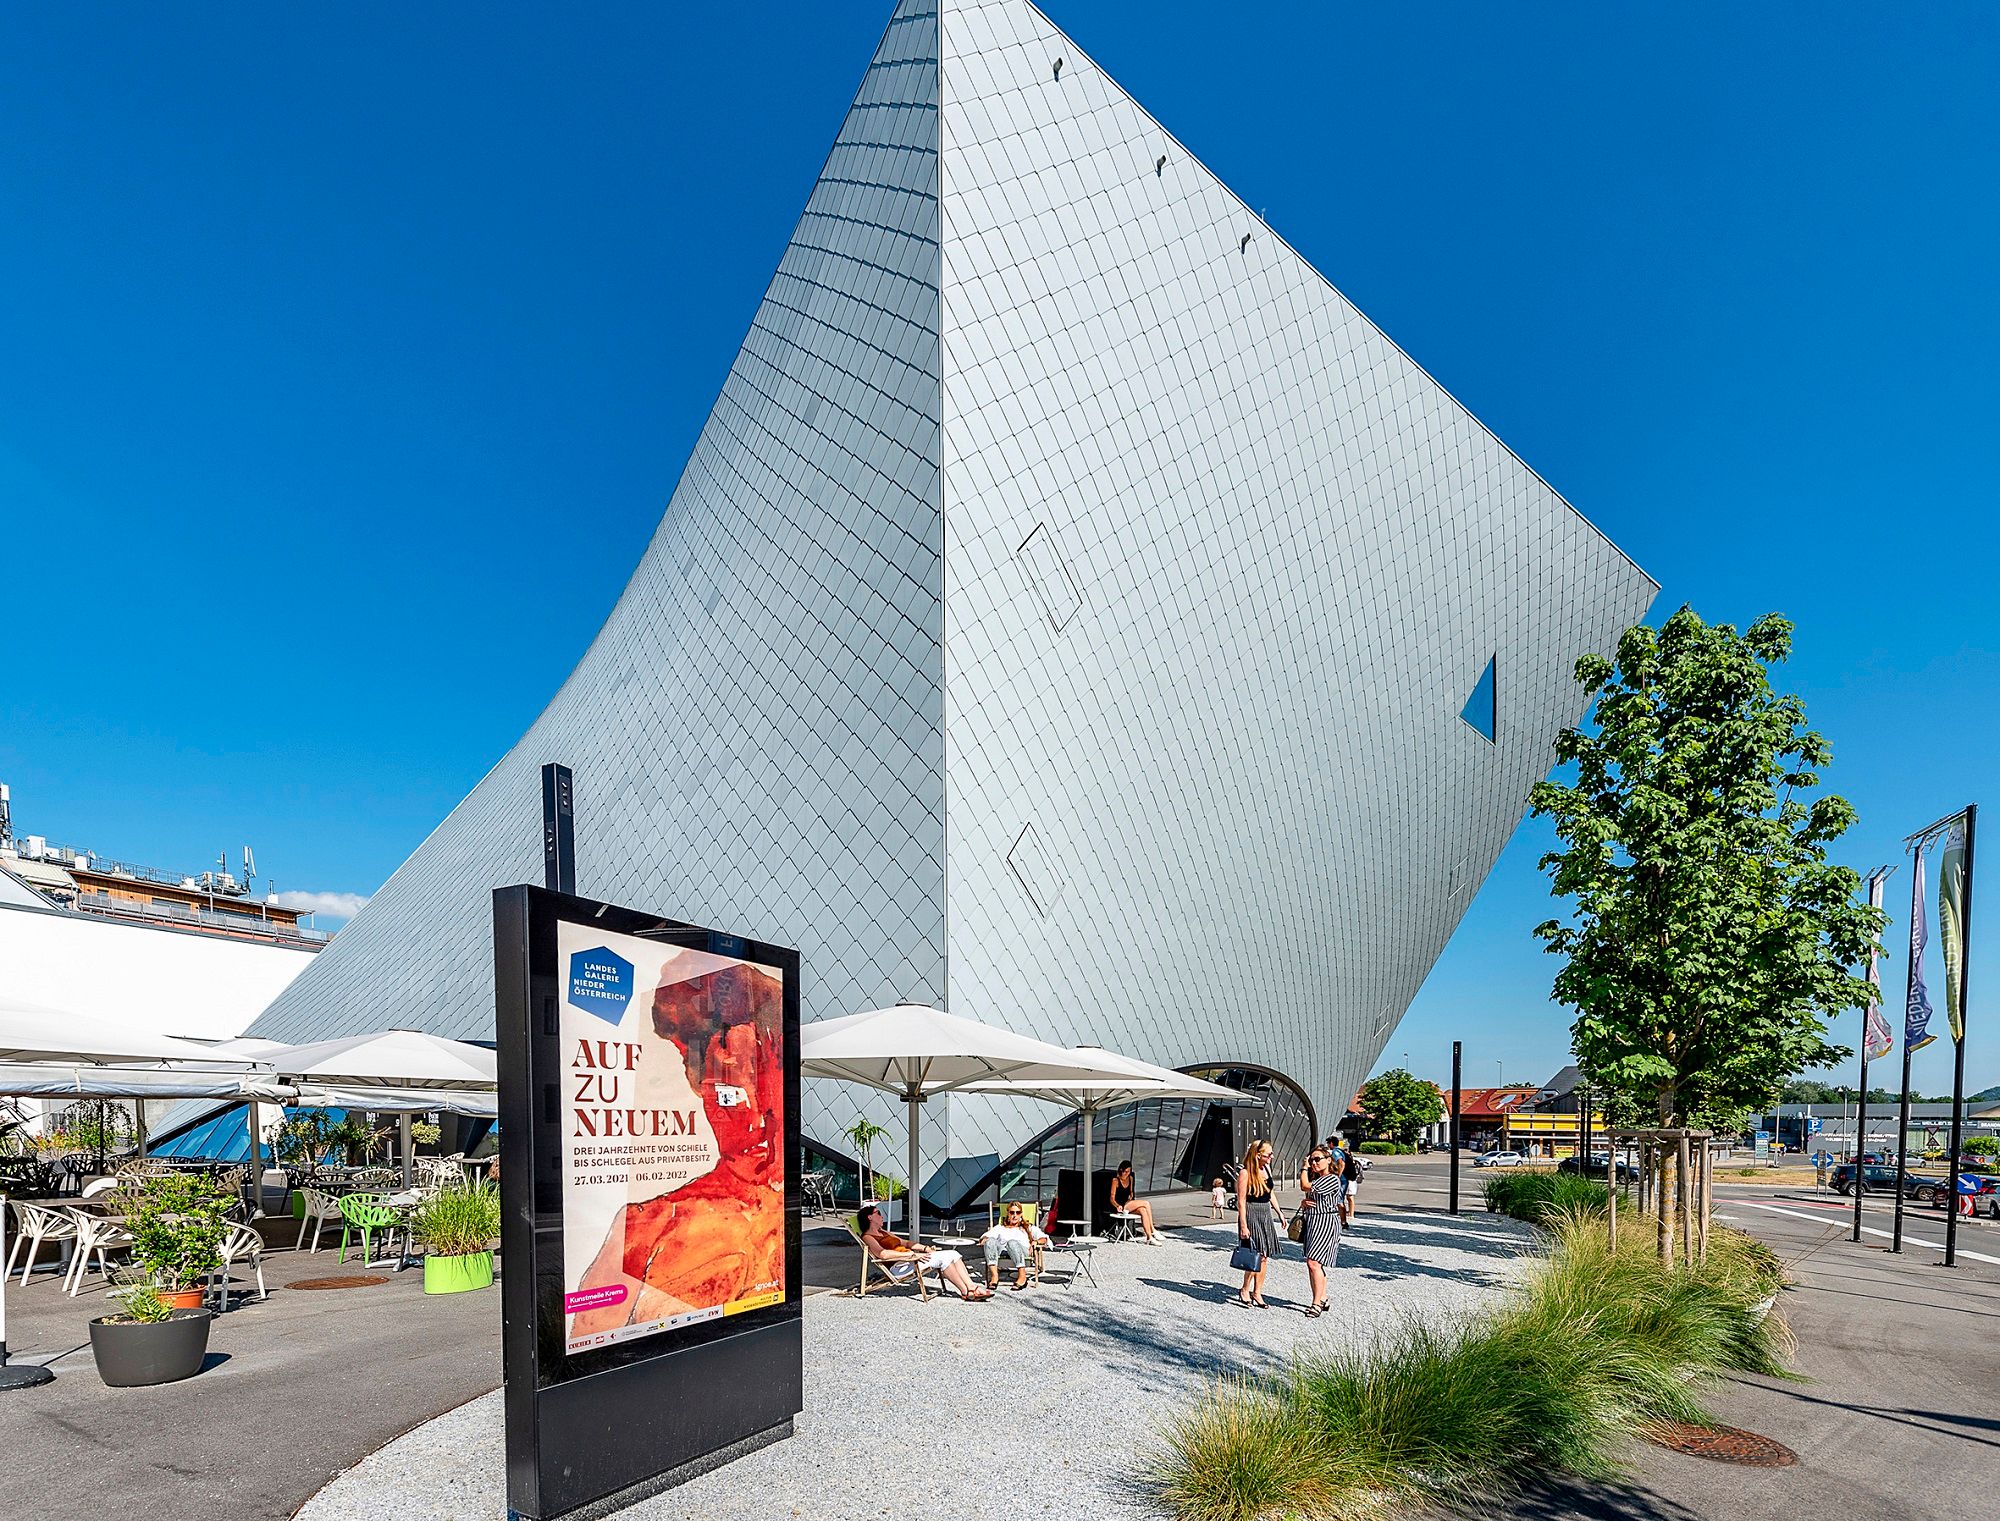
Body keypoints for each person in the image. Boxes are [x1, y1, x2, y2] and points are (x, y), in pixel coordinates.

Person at [857, 1204, 991, 1300]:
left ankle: (971, 1287)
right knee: (943, 1259)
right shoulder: (868, 1237)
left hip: (911, 1260)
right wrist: (911, 1255)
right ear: (870, 1217)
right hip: (900, 1266)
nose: (881, 1216)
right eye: (878, 1213)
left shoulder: (884, 1232)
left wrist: (925, 1248)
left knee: (954, 1254)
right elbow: (883, 1254)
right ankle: (965, 1291)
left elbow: (907, 1243)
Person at [1295, 1146, 1351, 1317]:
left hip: (1326, 1221)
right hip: (1314, 1221)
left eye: (1317, 1159)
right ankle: (1322, 1297)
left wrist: (1303, 1167)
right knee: (1313, 1263)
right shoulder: (1319, 1179)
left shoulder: (1331, 1179)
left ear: (1328, 1160)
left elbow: (1305, 1186)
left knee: (1313, 1263)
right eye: (1311, 1160)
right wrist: (1304, 1204)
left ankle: (1316, 1303)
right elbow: (1309, 1195)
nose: (1313, 1163)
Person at [1234, 1139, 1281, 1308]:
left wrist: (1279, 1213)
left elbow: (1270, 1193)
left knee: (1265, 1256)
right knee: (1255, 1254)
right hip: (1252, 1213)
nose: (1272, 1156)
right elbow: (1241, 1201)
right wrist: (1244, 1225)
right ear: (1258, 1154)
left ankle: (1257, 1292)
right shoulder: (1245, 1173)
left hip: (1265, 1213)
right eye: (1269, 1154)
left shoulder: (1266, 1169)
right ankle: (1245, 1289)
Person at [978, 1200, 1049, 1289]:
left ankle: (1022, 1276)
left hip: (1022, 1254)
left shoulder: (1028, 1227)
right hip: (1002, 1253)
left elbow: (1044, 1239)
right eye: (1012, 1212)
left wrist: (1036, 1242)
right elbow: (986, 1236)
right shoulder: (1000, 1228)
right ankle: (994, 1276)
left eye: (1018, 1212)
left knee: (1012, 1242)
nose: (1015, 1215)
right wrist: (985, 1240)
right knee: (990, 1241)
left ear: (1021, 1214)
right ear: (1008, 1214)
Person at [1110, 1160, 1163, 1243]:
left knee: (1143, 1210)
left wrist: (1130, 1197)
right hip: (1121, 1205)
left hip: (1128, 1203)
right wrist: (1117, 1206)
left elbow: (1131, 1192)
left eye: (1129, 1171)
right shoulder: (1116, 1180)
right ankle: (1152, 1229)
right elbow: (1112, 1198)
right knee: (1146, 1203)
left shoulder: (1130, 1178)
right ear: (1121, 1170)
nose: (1127, 1173)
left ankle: (1149, 1237)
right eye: (1126, 1172)